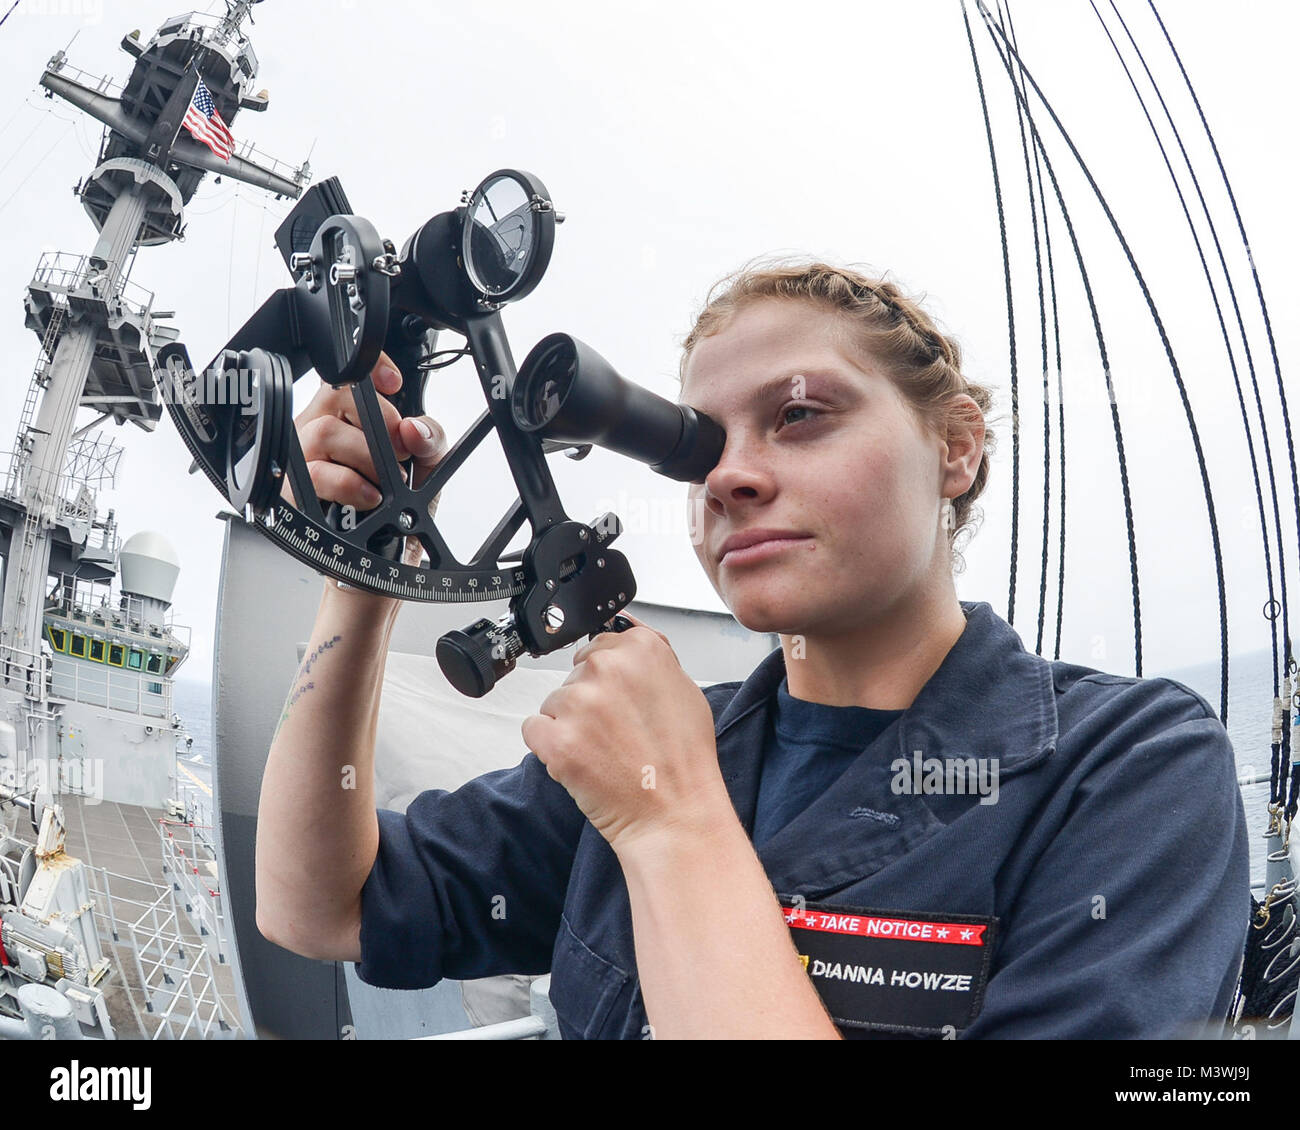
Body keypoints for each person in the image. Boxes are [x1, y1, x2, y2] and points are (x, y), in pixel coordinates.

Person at [255, 257, 1250, 1039]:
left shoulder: (1131, 767)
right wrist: (365, 573)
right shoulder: (689, 742)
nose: (729, 476)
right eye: (695, 444)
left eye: (799, 417)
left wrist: (669, 821)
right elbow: (317, 903)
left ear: (956, 446)